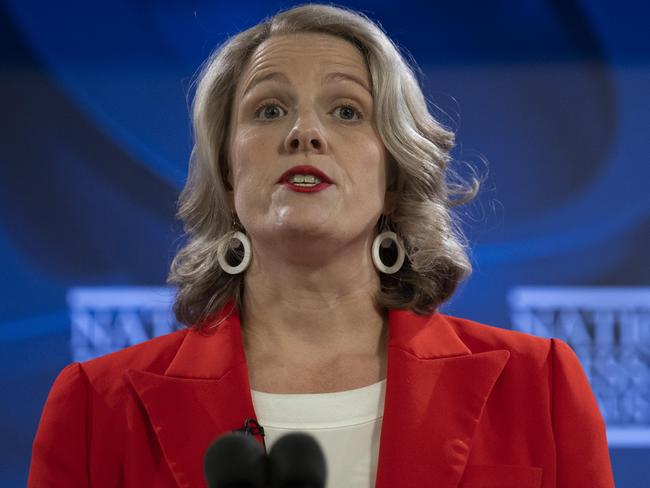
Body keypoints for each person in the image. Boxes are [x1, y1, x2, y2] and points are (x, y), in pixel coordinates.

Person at [28, 4, 614, 487]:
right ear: (229, 177)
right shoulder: (94, 408)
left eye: (346, 110)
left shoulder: (541, 387)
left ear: (393, 176)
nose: (303, 132)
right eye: (270, 109)